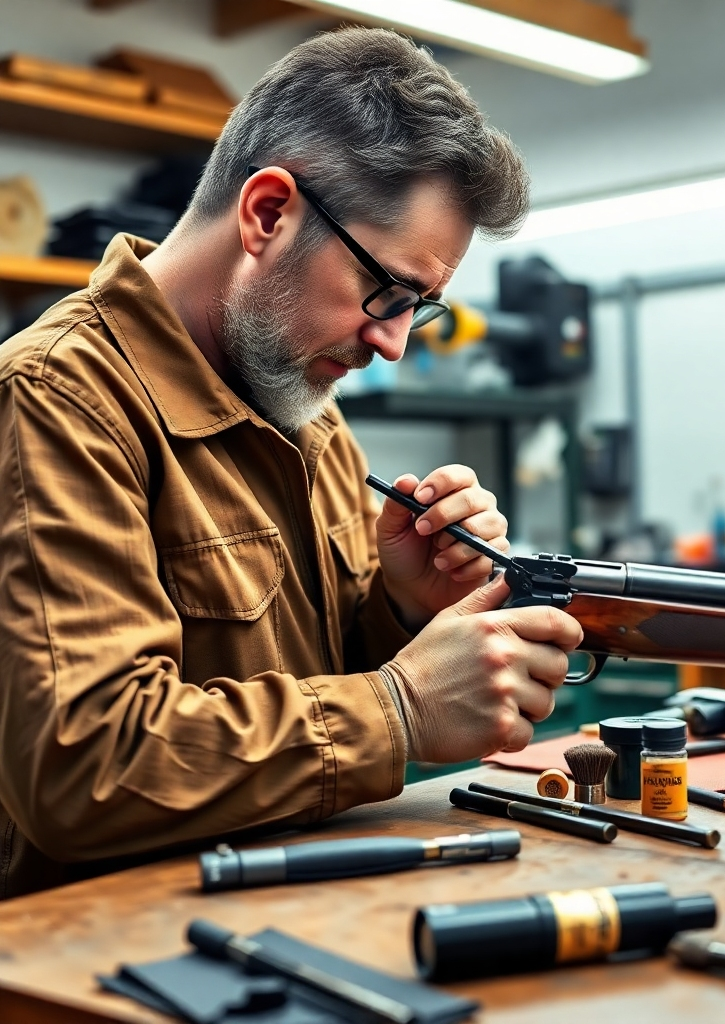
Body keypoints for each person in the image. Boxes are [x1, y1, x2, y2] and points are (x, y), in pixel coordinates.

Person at [0, 27, 582, 899]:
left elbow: (315, 669)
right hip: (103, 957)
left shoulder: (303, 407)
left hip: (294, 909)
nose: (391, 344)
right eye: (385, 293)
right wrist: (400, 709)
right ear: (267, 213)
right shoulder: (57, 399)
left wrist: (404, 606)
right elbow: (85, 766)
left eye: (418, 309)